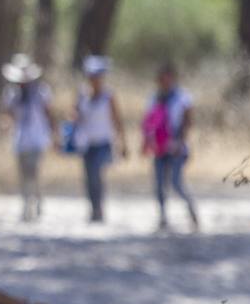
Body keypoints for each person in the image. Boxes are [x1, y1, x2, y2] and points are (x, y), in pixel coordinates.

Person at [142, 62, 199, 231]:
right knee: (159, 184)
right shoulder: (154, 98)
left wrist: (179, 142)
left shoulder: (183, 98)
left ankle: (191, 208)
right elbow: (148, 122)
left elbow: (188, 122)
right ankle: (163, 217)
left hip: (177, 147)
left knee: (176, 182)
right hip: (160, 148)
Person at [73, 55, 129, 223]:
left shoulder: (109, 97)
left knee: (97, 174)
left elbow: (117, 120)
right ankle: (93, 207)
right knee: (88, 178)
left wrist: (123, 143)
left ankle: (99, 208)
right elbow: (75, 114)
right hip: (86, 143)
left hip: (103, 142)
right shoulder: (82, 95)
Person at [2, 52, 56, 222]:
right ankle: (28, 201)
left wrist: (55, 135)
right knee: (23, 173)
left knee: (33, 171)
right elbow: (8, 114)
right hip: (20, 139)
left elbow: (49, 114)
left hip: (37, 138)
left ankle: (32, 203)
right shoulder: (12, 93)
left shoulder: (41, 92)